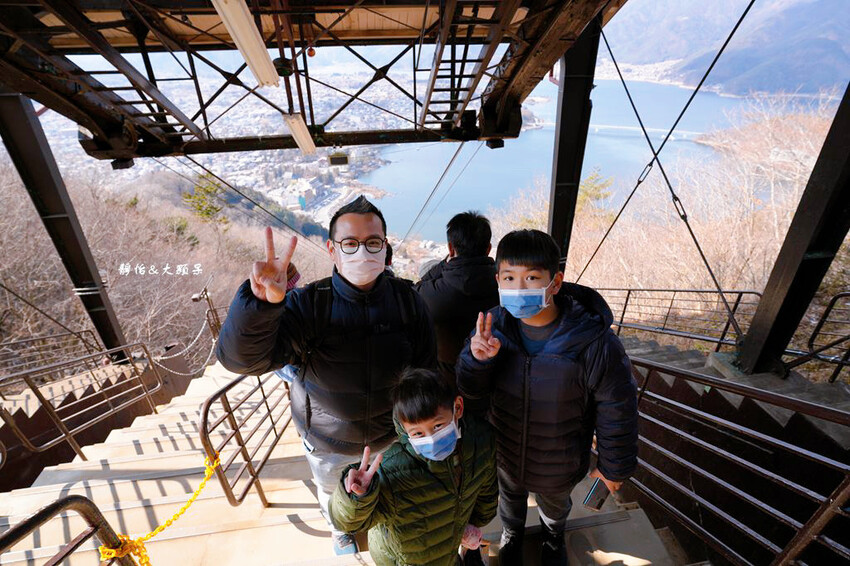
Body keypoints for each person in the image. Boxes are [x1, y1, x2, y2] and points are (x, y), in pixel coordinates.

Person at [215, 196, 437, 555]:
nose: (362, 251)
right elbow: (242, 360)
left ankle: (383, 533)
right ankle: (340, 530)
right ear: (333, 249)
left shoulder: (408, 300)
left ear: (385, 247)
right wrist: (261, 306)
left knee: (390, 493)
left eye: (372, 242)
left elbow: (426, 369)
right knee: (332, 492)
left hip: (390, 436)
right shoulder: (308, 303)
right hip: (326, 440)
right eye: (350, 243)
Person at [456, 229, 638, 566]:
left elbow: (618, 408)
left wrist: (614, 467)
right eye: (509, 278)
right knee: (509, 500)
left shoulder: (593, 342)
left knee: (555, 506)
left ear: (554, 283)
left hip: (560, 459)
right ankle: (512, 535)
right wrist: (476, 360)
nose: (518, 289)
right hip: (507, 452)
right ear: (497, 279)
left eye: (531, 278)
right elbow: (470, 391)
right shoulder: (491, 328)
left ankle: (554, 539)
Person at [330, 367, 498, 566]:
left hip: (448, 547)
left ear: (457, 408)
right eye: (418, 433)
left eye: (437, 426)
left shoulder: (481, 441)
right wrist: (356, 498)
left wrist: (472, 523)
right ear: (404, 427)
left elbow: (486, 491)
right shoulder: (393, 471)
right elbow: (346, 522)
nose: (431, 439)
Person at [415, 212, 499, 386]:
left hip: (445, 384)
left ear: (450, 248)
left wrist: (444, 264)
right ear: (488, 248)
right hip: (492, 379)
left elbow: (418, 286)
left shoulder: (428, 294)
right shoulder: (505, 287)